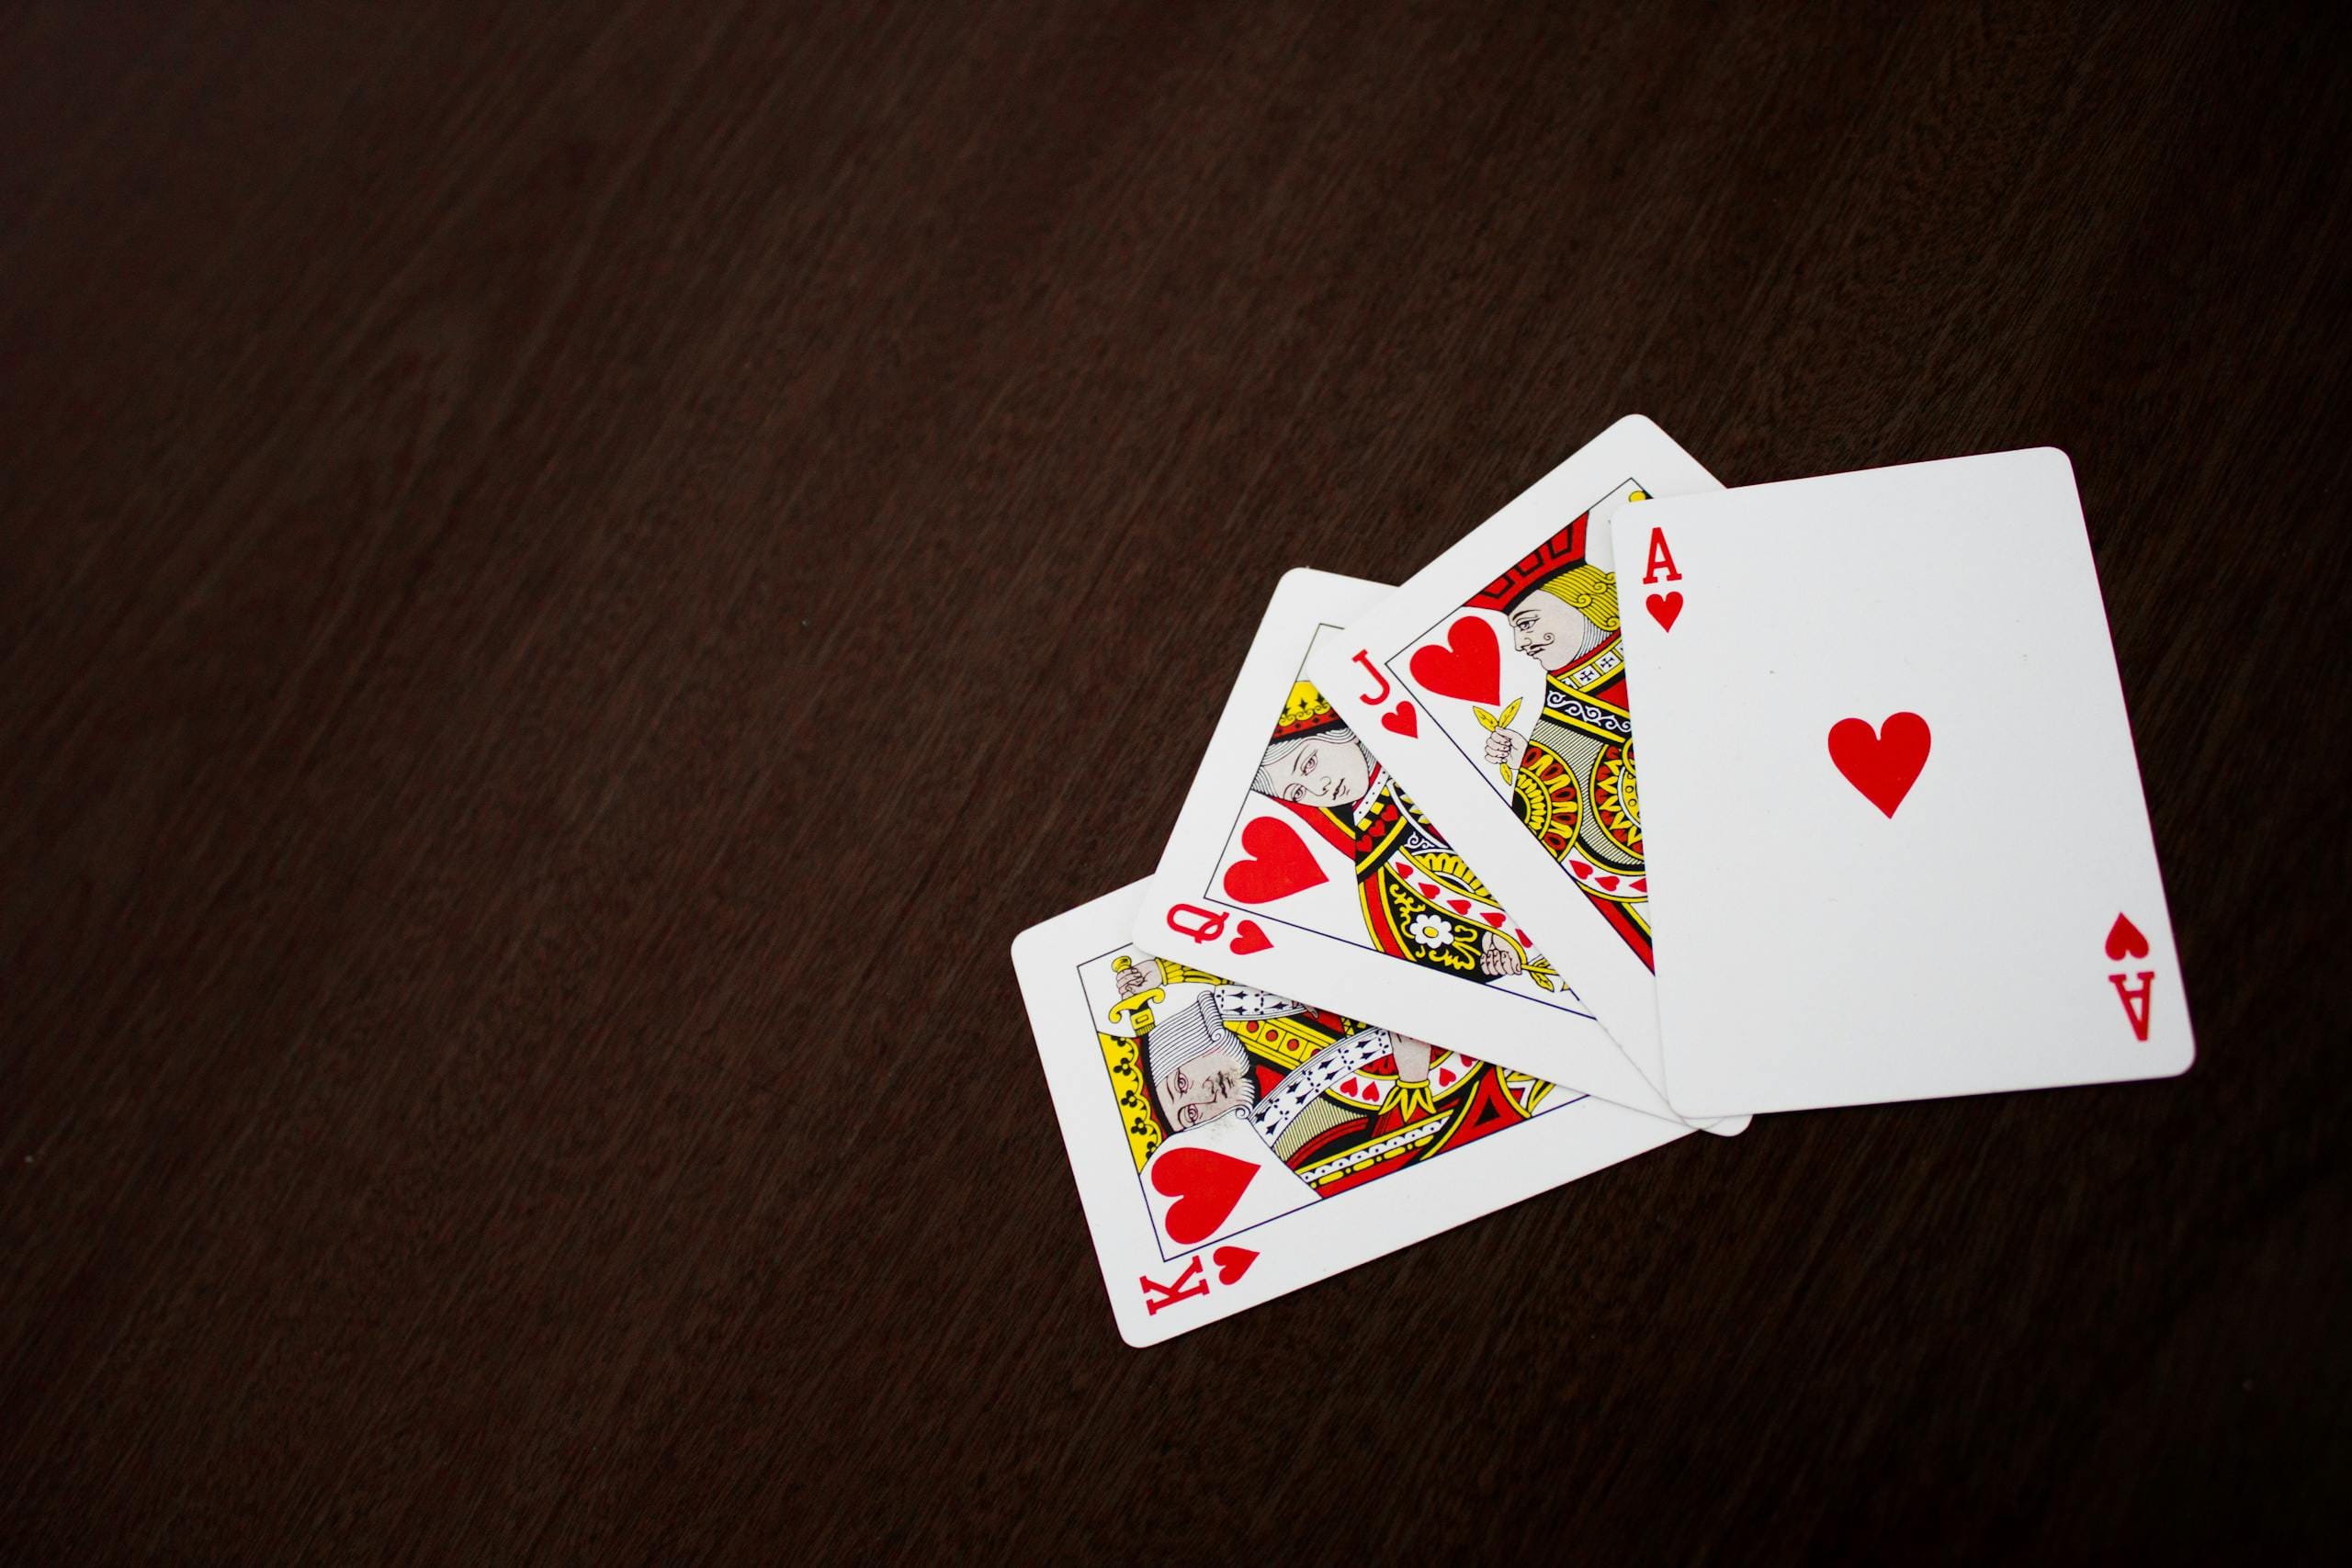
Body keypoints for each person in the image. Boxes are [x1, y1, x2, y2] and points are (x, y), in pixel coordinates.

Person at [1104, 957, 1555, 1194]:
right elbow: (1398, 1155)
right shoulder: (1288, 1146)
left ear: (1187, 1041)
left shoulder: (1244, 1000)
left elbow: (1299, 944)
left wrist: (1167, 969)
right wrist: (1415, 1079)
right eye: (1189, 1116)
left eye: (1180, 1082)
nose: (1202, 1099)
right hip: (1502, 1068)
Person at [1248, 682, 1559, 991]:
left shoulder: (1436, 760)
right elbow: (1415, 946)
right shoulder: (1374, 853)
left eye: (1310, 763)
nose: (1320, 788)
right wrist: (1490, 945)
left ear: (1339, 732)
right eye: (1298, 792)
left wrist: (1528, 762)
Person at [1466, 504, 1652, 968]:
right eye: (1514, 630)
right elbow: (1548, 832)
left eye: (1526, 622)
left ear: (1582, 598)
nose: (1519, 644)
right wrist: (1512, 935)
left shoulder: (1661, 649)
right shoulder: (1558, 707)